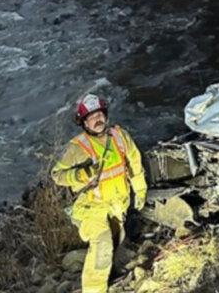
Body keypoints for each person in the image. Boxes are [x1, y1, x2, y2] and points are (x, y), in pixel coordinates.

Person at [50, 93, 147, 293]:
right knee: (102, 245)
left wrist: (140, 191)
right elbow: (57, 175)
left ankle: (107, 278)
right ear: (83, 122)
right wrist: (80, 175)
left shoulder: (120, 136)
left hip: (118, 205)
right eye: (91, 117)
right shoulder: (78, 147)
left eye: (100, 114)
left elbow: (134, 162)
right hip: (92, 208)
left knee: (115, 241)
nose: (97, 119)